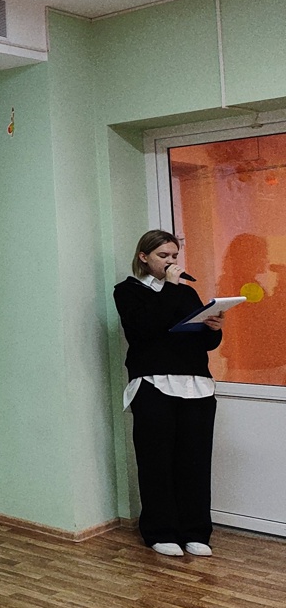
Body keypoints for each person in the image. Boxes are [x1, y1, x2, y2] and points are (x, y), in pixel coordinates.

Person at [113, 229, 224, 558]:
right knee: (156, 461)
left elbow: (204, 342)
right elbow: (145, 329)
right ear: (144, 257)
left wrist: (214, 329)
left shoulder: (187, 292)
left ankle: (195, 531)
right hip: (153, 384)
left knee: (194, 461)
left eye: (174, 256)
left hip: (196, 384)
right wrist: (170, 288)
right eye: (163, 256)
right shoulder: (128, 291)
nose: (171, 261)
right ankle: (160, 531)